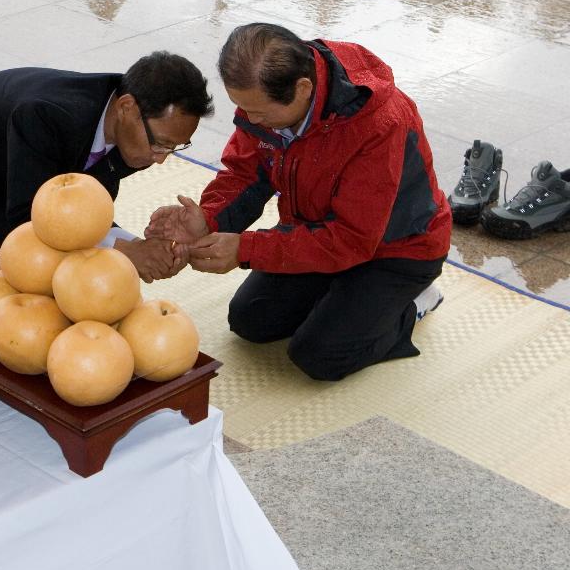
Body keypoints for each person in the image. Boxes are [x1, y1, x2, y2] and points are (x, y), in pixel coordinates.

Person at [148, 23, 450, 381]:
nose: (251, 119)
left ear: (303, 88)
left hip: (397, 250)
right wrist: (209, 220)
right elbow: (244, 174)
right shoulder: (268, 93)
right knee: (250, 320)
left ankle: (412, 304)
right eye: (243, 108)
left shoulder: (378, 122)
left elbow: (353, 239)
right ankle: (343, 299)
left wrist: (247, 249)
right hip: (316, 231)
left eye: (259, 112)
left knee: (320, 355)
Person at [0, 54, 215, 281]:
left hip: (16, 178)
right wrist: (123, 251)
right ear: (126, 107)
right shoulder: (48, 117)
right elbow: (33, 221)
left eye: (174, 148)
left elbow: (78, 206)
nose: (161, 158)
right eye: (160, 144)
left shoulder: (134, 132)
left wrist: (142, 246)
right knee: (30, 267)